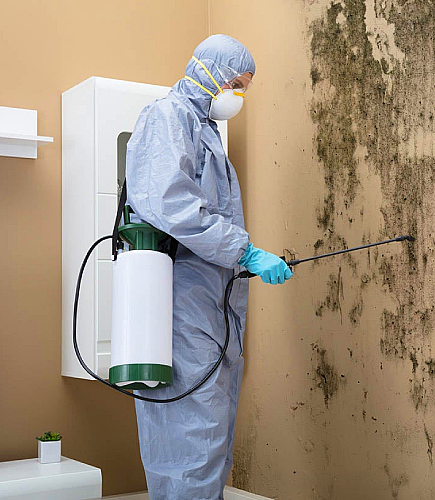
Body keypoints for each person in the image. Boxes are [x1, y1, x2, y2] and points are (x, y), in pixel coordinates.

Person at [125, 34, 292, 499]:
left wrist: (244, 263)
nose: (238, 95)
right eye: (235, 83)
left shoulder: (204, 131)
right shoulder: (168, 117)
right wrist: (245, 251)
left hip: (208, 308)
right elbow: (170, 202)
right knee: (190, 437)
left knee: (210, 433)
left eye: (245, 88)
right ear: (209, 72)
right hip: (181, 308)